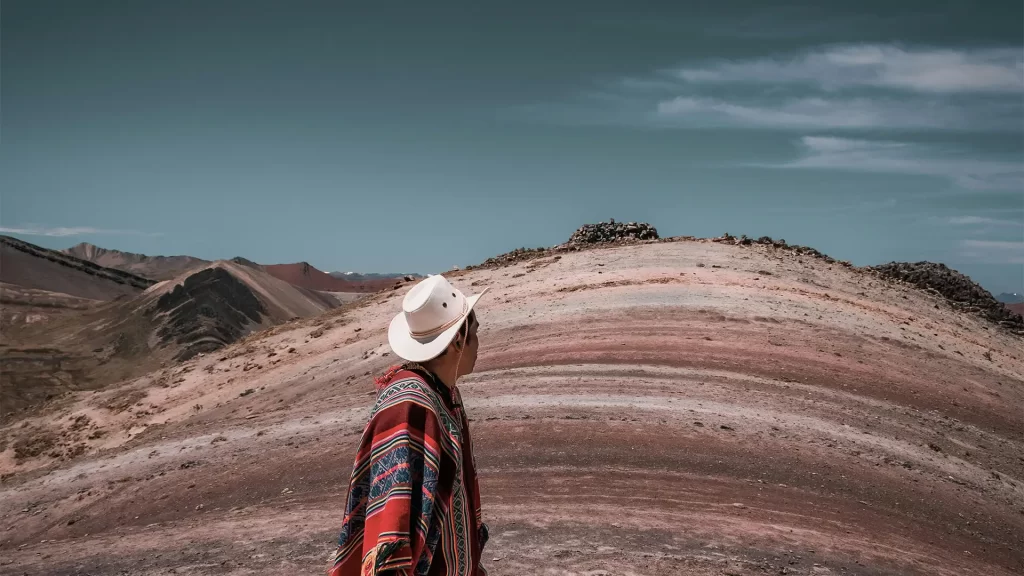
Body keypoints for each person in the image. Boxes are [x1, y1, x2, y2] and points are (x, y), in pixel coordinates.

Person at [328, 274, 490, 576]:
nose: (479, 344)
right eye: (475, 334)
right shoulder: (409, 407)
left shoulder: (446, 393)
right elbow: (393, 522)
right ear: (458, 340)